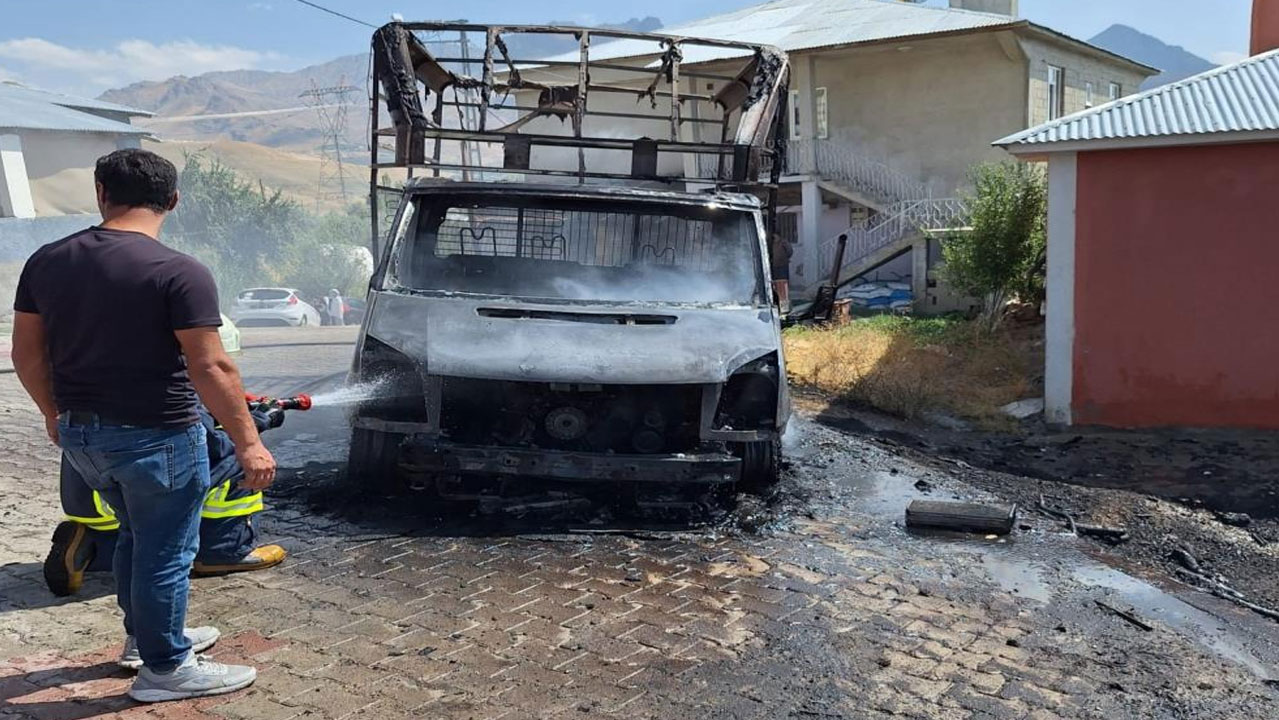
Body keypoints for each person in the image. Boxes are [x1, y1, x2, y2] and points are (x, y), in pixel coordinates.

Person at [10, 148, 274, 703]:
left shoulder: (47, 261)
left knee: (134, 536)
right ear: (173, 201)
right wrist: (249, 443)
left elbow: (26, 355)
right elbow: (211, 366)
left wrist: (53, 415)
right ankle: (167, 668)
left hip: (83, 435)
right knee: (166, 552)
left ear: (101, 192)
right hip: (159, 437)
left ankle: (145, 640)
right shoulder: (179, 271)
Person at [45, 399, 292, 600]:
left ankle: (93, 545)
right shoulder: (169, 391)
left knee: (130, 539)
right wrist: (256, 424)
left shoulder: (93, 377)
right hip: (138, 506)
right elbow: (211, 447)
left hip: (98, 507)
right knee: (243, 460)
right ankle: (224, 552)